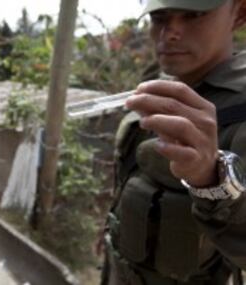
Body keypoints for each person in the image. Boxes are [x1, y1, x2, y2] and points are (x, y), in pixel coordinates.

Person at [101, 0, 246, 284]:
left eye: (193, 15)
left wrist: (212, 181)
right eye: (159, 16)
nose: (170, 32)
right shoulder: (156, 86)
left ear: (239, 13)